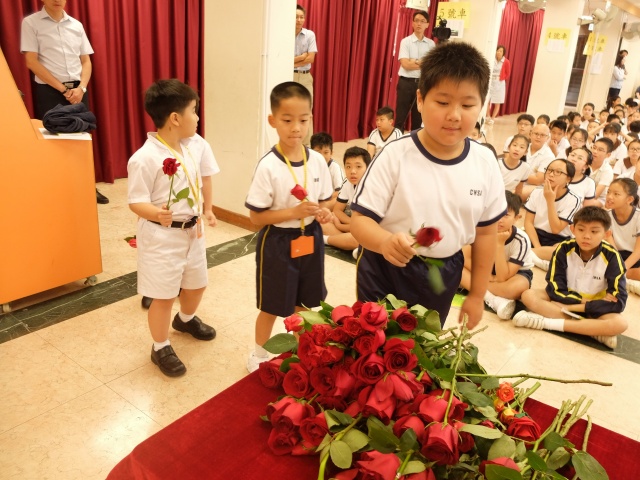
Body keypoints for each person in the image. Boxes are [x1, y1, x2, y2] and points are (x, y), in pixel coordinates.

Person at [350, 41, 507, 330]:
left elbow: (486, 234)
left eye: (467, 105)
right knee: (374, 345)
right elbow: (359, 221)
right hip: (386, 266)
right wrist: (384, 242)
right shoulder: (395, 155)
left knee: (424, 345)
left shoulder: (485, 162)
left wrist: (477, 295)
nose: (455, 115)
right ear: (421, 100)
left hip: (443, 272)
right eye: (443, 102)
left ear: (481, 105)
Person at [127, 79, 219, 377]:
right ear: (176, 118)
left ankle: (186, 319)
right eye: (194, 111)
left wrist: (205, 211)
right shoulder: (144, 158)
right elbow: (135, 201)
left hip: (192, 231)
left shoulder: (190, 148)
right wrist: (156, 213)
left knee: (197, 283)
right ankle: (160, 346)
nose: (198, 117)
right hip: (162, 236)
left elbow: (200, 182)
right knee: (164, 295)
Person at [245, 82, 333, 372]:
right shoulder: (268, 166)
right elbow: (255, 217)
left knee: (306, 304)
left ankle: (302, 350)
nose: (296, 128)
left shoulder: (317, 160)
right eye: (287, 120)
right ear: (273, 121)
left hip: (311, 238)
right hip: (279, 242)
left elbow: (326, 200)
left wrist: (324, 212)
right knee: (272, 304)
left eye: (303, 120)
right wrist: (292, 213)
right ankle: (259, 354)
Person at [20, 0, 109, 204]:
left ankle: (86, 186)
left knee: (82, 137)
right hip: (50, 90)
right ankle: (57, 189)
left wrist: (81, 88)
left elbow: (86, 61)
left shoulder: (76, 25)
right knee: (54, 139)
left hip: (78, 90)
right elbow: (31, 61)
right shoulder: (31, 23)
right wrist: (63, 89)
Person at [514, 206, 628, 349]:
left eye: (594, 231)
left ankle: (546, 323)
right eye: (581, 230)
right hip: (568, 299)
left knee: (620, 323)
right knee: (528, 296)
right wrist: (582, 301)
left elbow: (619, 302)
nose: (587, 236)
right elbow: (555, 289)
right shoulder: (563, 249)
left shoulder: (613, 257)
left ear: (606, 234)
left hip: (591, 309)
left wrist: (575, 307)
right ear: (572, 229)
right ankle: (592, 331)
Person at [461, 191, 532, 320]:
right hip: (485, 268)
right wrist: (486, 276)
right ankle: (492, 299)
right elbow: (464, 258)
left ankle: (479, 289)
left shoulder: (521, 240)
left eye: (506, 215)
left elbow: (502, 277)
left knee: (518, 287)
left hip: (514, 273)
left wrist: (500, 244)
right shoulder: (480, 229)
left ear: (517, 218)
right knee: (456, 267)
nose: (499, 220)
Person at [524, 158, 580, 265]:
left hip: (558, 239)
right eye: (549, 170)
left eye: (558, 172)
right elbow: (528, 222)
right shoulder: (536, 192)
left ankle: (526, 254)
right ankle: (536, 257)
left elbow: (556, 229)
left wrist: (550, 201)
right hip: (535, 235)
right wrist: (538, 247)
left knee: (560, 250)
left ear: (568, 179)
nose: (551, 174)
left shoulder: (574, 199)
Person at [321, 147, 371, 253]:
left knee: (357, 239)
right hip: (354, 227)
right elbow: (337, 210)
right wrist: (350, 223)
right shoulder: (347, 182)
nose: (352, 171)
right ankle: (344, 242)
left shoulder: (372, 187)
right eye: (348, 167)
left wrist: (339, 225)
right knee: (323, 224)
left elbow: (365, 226)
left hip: (370, 231)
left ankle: (325, 240)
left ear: (368, 168)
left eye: (358, 166)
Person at [395, 10, 435, 133]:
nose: (419, 24)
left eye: (422, 21)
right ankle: (398, 140)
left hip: (422, 84)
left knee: (418, 117)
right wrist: (422, 62)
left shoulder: (431, 44)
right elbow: (405, 64)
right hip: (405, 83)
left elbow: (431, 65)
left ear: (427, 24)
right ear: (412, 23)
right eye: (416, 20)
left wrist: (414, 61)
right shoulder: (405, 41)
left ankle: (415, 142)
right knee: (401, 116)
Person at [606, 178, 640, 295]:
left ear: (629, 199)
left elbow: (638, 251)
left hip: (635, 257)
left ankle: (622, 275)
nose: (609, 196)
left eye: (616, 194)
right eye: (608, 192)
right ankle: (621, 275)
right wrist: (617, 265)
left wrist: (622, 269)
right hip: (616, 256)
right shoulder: (606, 216)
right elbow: (612, 247)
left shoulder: (638, 217)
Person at [294, 4, 317, 146]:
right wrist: (300, 57)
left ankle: (307, 145)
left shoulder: (310, 35)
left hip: (305, 77)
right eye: (296, 17)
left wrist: (292, 61)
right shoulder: (284, 34)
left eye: (301, 17)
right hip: (288, 75)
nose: (299, 20)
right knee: (290, 109)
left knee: (307, 110)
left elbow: (310, 59)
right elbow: (281, 60)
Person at [520, 123, 555, 200]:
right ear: (530, 134)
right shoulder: (522, 146)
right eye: (536, 134)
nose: (538, 137)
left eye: (542, 135)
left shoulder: (549, 156)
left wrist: (515, 173)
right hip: (517, 180)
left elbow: (537, 180)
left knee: (514, 193)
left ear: (547, 138)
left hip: (535, 186)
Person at [311, 132, 344, 209]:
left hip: (329, 198)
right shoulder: (309, 166)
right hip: (314, 198)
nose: (322, 156)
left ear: (331, 153)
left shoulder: (335, 168)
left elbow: (340, 192)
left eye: (326, 152)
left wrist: (324, 198)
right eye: (318, 153)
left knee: (340, 200)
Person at [584, 137, 615, 207]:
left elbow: (595, 195)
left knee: (589, 203)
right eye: (594, 148)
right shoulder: (584, 162)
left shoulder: (607, 171)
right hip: (579, 193)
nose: (595, 151)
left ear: (608, 155)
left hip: (598, 199)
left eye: (600, 150)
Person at [486, 45, 511, 125]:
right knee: (487, 100)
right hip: (490, 82)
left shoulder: (506, 61)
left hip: (499, 83)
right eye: (498, 50)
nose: (499, 52)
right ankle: (488, 116)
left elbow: (507, 73)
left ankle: (493, 118)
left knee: (497, 101)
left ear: (503, 53)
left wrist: (501, 78)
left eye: (501, 51)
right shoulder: (491, 59)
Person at [500, 135, 531, 199]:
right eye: (514, 145)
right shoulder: (497, 163)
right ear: (509, 147)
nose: (517, 149)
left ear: (525, 152)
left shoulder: (525, 168)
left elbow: (518, 191)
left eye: (521, 147)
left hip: (507, 199)